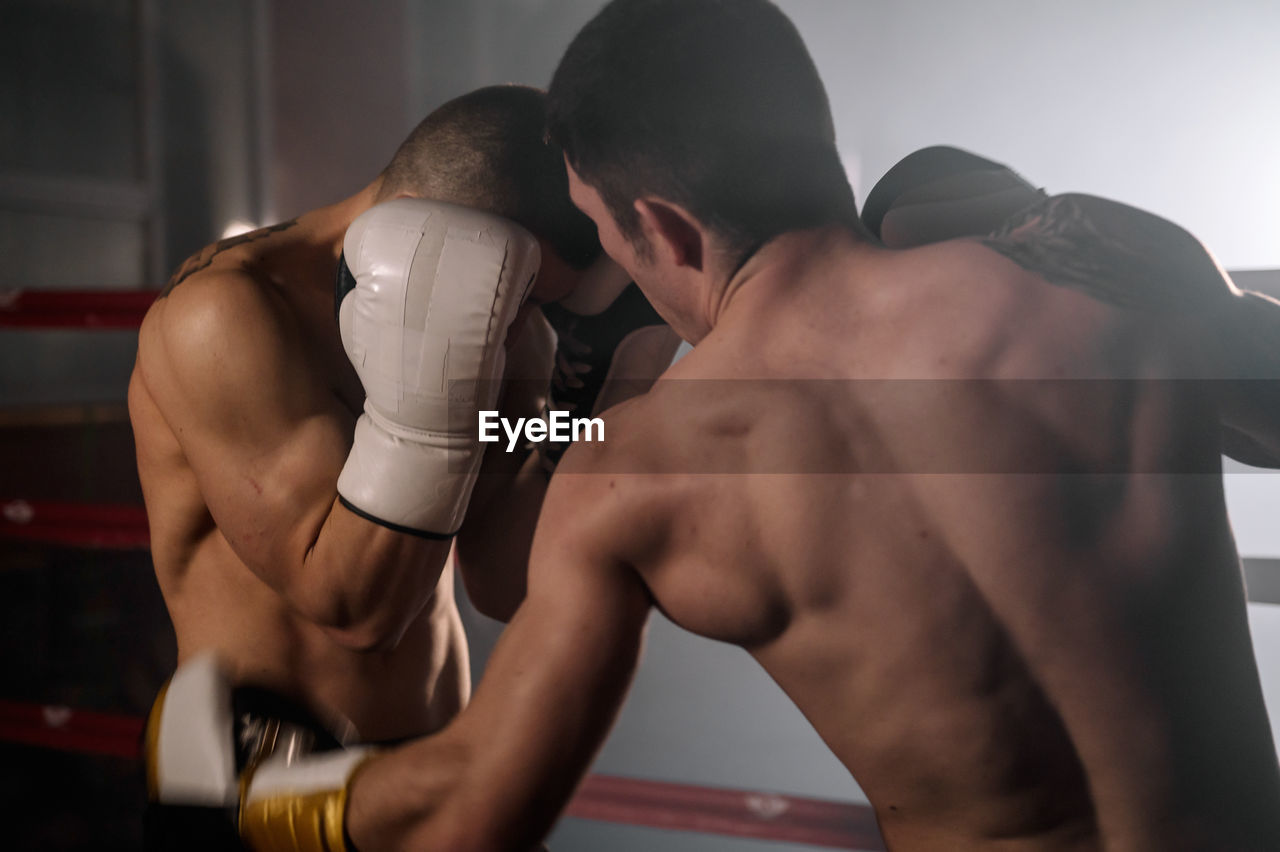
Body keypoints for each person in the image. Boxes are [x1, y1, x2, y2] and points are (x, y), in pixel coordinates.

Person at [201, 2, 1280, 850]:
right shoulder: (1093, 269)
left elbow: (476, 811)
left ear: (656, 225)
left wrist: (276, 796)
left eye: (597, 232)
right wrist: (1155, 278)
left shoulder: (634, 476)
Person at [129, 84, 629, 848]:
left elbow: (503, 580)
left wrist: (583, 406)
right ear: (444, 232)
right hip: (270, 780)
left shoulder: (510, 327)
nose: (529, 322)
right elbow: (356, 609)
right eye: (523, 288)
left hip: (428, 757)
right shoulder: (226, 316)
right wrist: (427, 423)